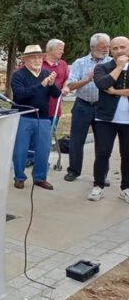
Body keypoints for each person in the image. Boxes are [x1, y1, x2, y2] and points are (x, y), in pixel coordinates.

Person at [10, 45, 61, 191]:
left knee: (44, 149)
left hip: (43, 117)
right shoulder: (18, 75)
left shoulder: (46, 73)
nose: (37, 60)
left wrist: (51, 85)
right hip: (23, 116)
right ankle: (19, 177)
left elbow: (56, 95)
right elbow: (20, 94)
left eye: (39, 57)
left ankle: (40, 177)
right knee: (21, 149)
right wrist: (41, 85)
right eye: (33, 57)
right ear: (25, 59)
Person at [64, 33, 112, 182]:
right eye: (103, 47)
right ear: (92, 47)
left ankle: (102, 175)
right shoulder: (80, 63)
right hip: (82, 105)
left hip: (103, 107)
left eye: (108, 47)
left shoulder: (112, 63)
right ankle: (73, 171)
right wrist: (87, 79)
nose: (106, 50)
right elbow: (71, 85)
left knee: (103, 144)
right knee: (76, 141)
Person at [89, 36, 129, 202]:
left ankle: (126, 188)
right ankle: (98, 186)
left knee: (127, 155)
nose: (119, 51)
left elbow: (109, 88)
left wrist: (114, 92)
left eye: (123, 47)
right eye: (115, 48)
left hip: (127, 121)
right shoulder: (102, 67)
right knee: (102, 153)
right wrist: (119, 67)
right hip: (106, 119)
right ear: (110, 50)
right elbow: (102, 84)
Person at [26, 39, 70, 167]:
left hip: (55, 106)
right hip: (36, 105)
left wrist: (66, 87)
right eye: (60, 49)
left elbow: (67, 79)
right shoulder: (39, 61)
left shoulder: (63, 64)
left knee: (47, 135)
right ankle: (29, 158)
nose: (63, 51)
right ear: (50, 49)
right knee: (32, 134)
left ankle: (42, 159)